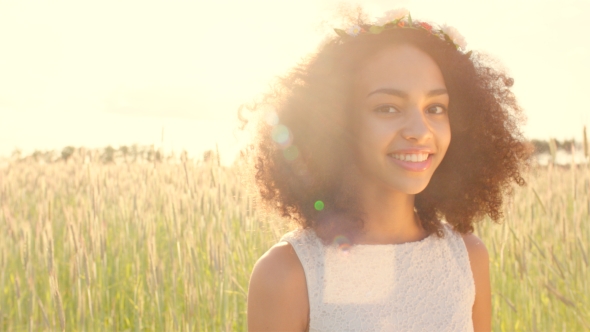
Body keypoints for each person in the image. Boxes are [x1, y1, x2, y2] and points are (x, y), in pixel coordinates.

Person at [245, 8, 530, 332]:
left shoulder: (467, 258)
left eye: (435, 108)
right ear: (337, 122)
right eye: (388, 108)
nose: (419, 130)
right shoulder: (288, 273)